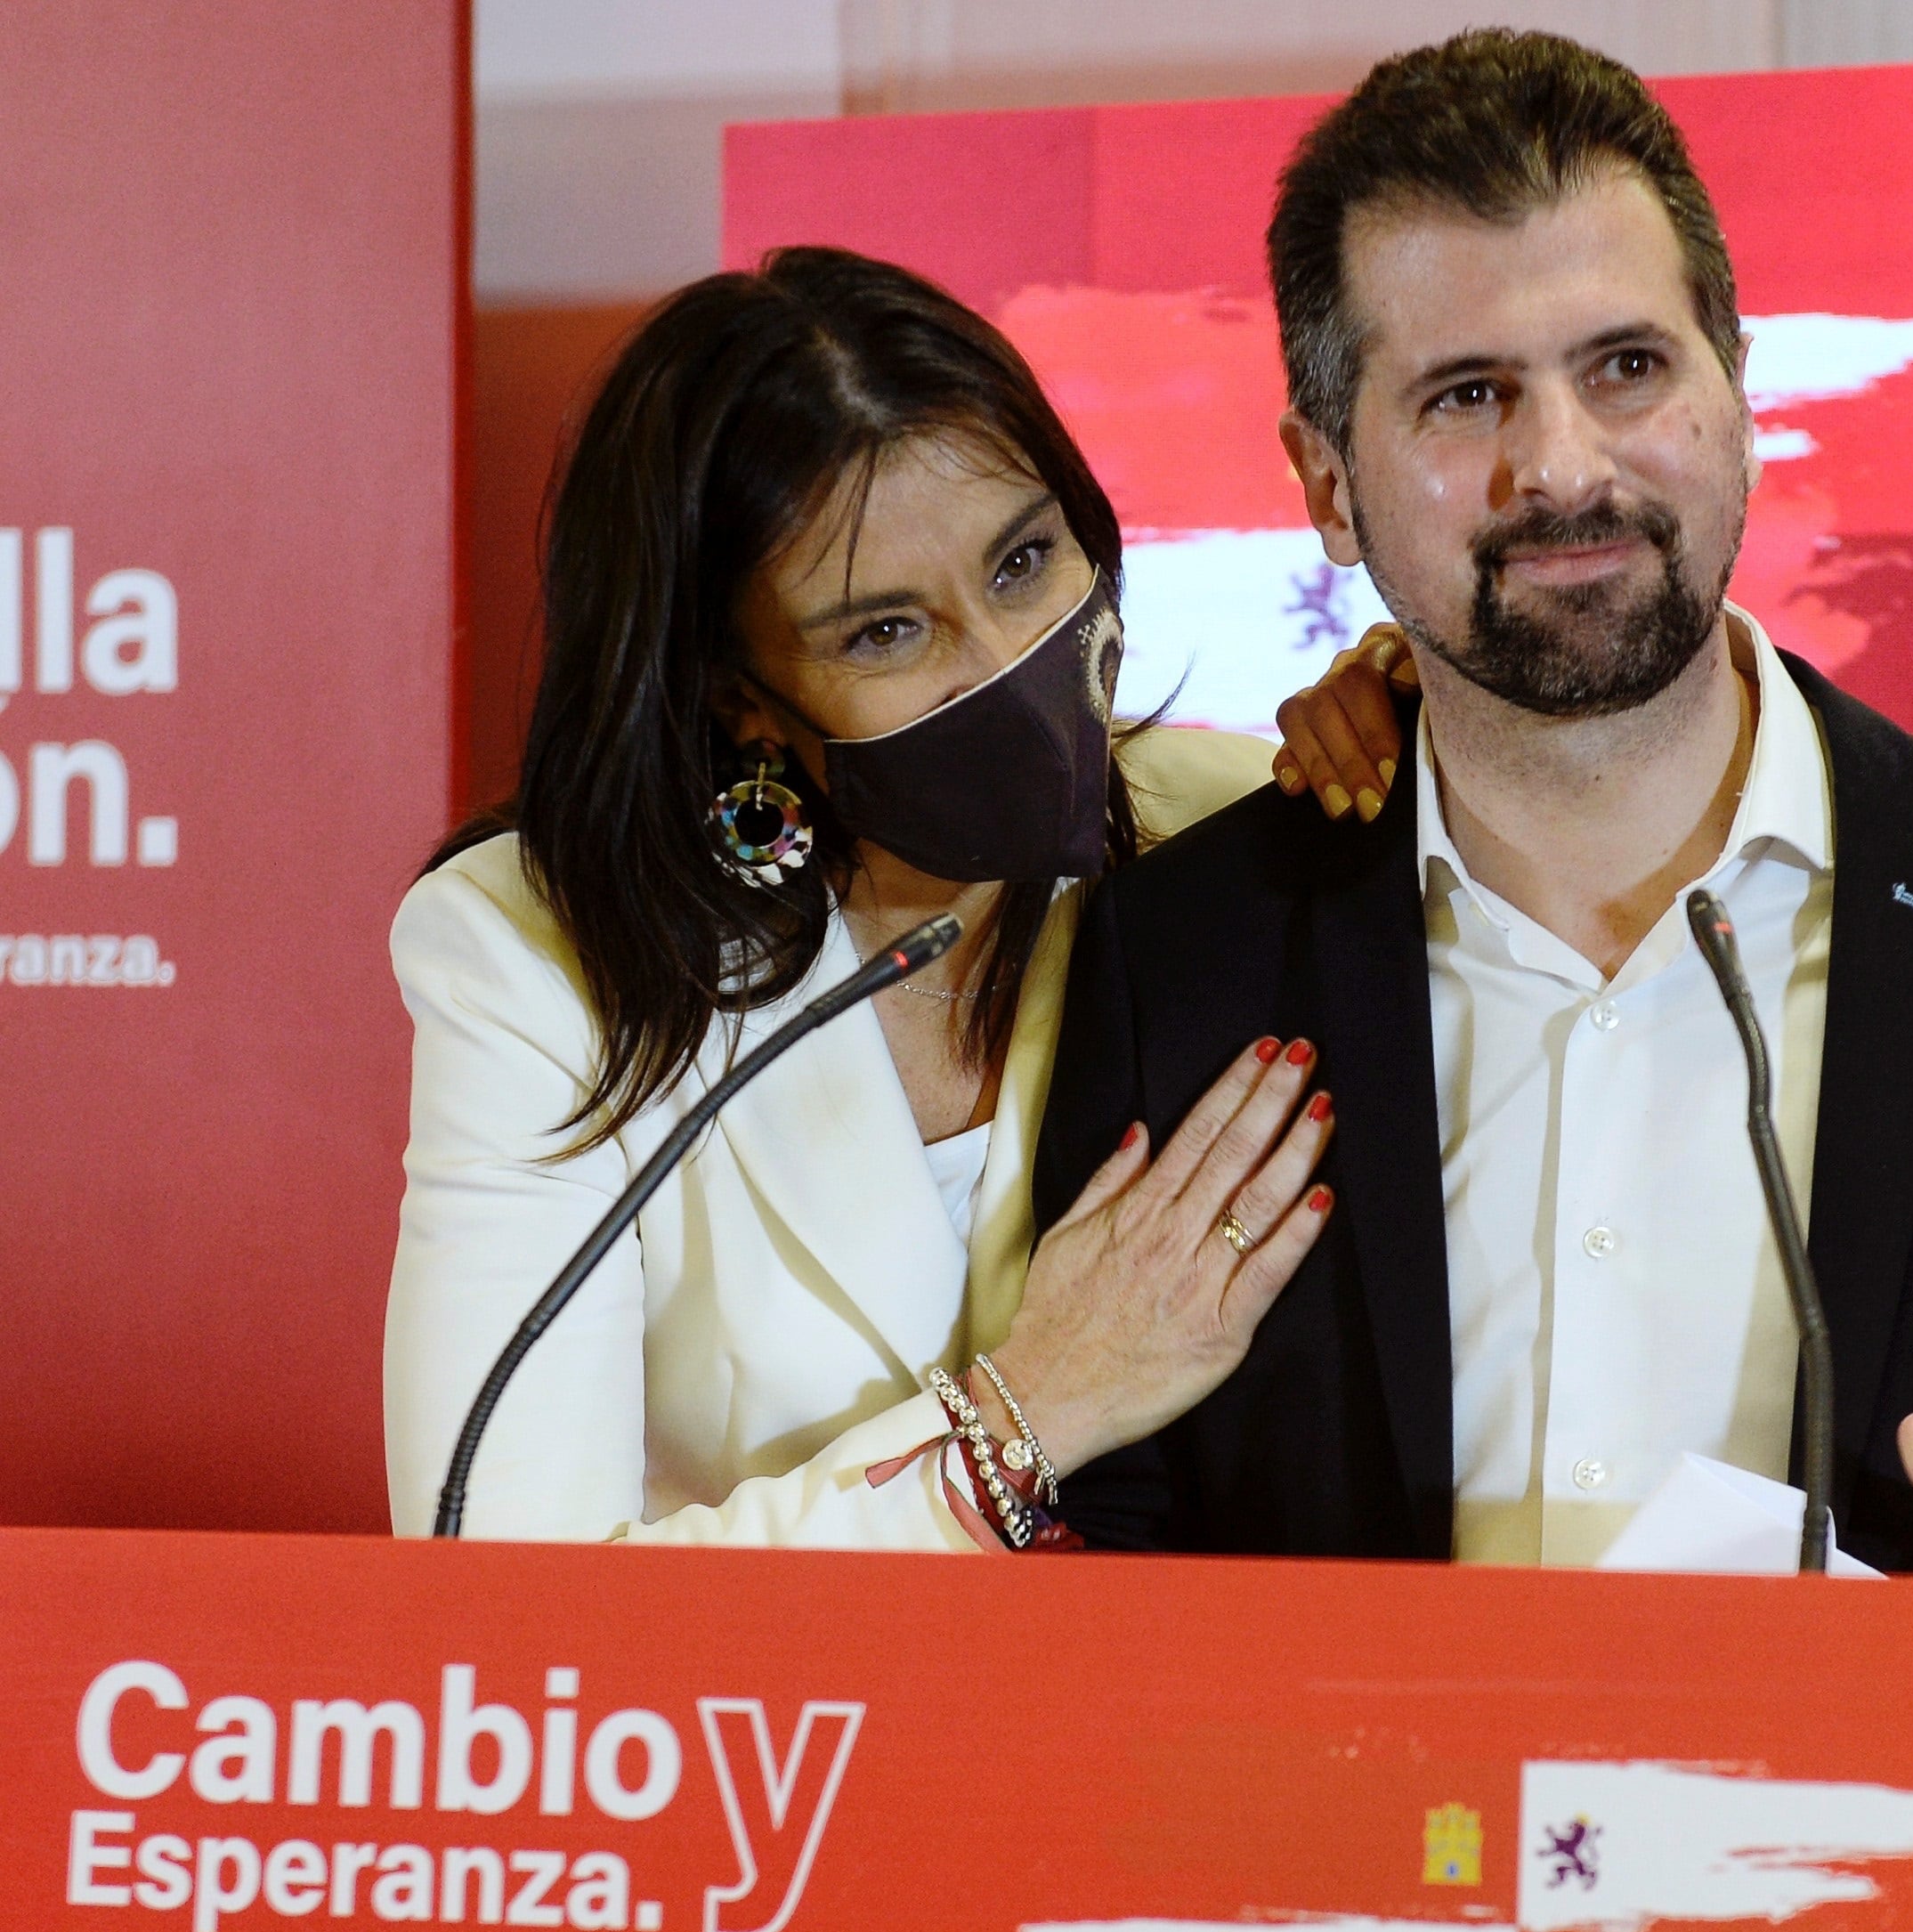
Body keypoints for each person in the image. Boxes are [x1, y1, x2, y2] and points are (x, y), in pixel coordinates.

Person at [1045, 26, 1913, 1809]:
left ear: (1732, 384)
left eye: (1625, 366)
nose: (1566, 469)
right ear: (1323, 475)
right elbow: (1093, 1550)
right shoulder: (1168, 962)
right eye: (1464, 395)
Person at [385, 247, 1325, 1549]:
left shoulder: (1243, 839)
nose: (1005, 665)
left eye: (1022, 561)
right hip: (753, 1746)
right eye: (884, 631)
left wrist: (1426, 721)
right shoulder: (540, 954)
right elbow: (508, 1600)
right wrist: (1017, 1421)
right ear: (740, 698)